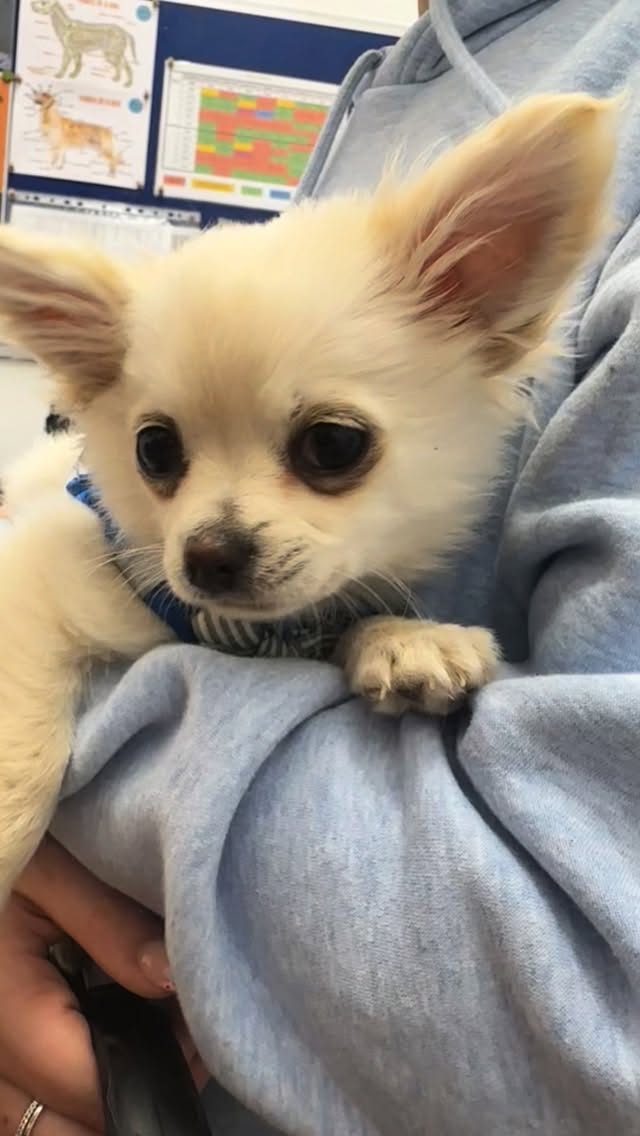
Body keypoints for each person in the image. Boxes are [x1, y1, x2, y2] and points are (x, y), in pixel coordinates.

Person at [2, 0, 640, 1133]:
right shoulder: (400, 72)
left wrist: (369, 635)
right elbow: (46, 577)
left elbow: (597, 1009)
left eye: (327, 448)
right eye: (163, 452)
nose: (210, 532)